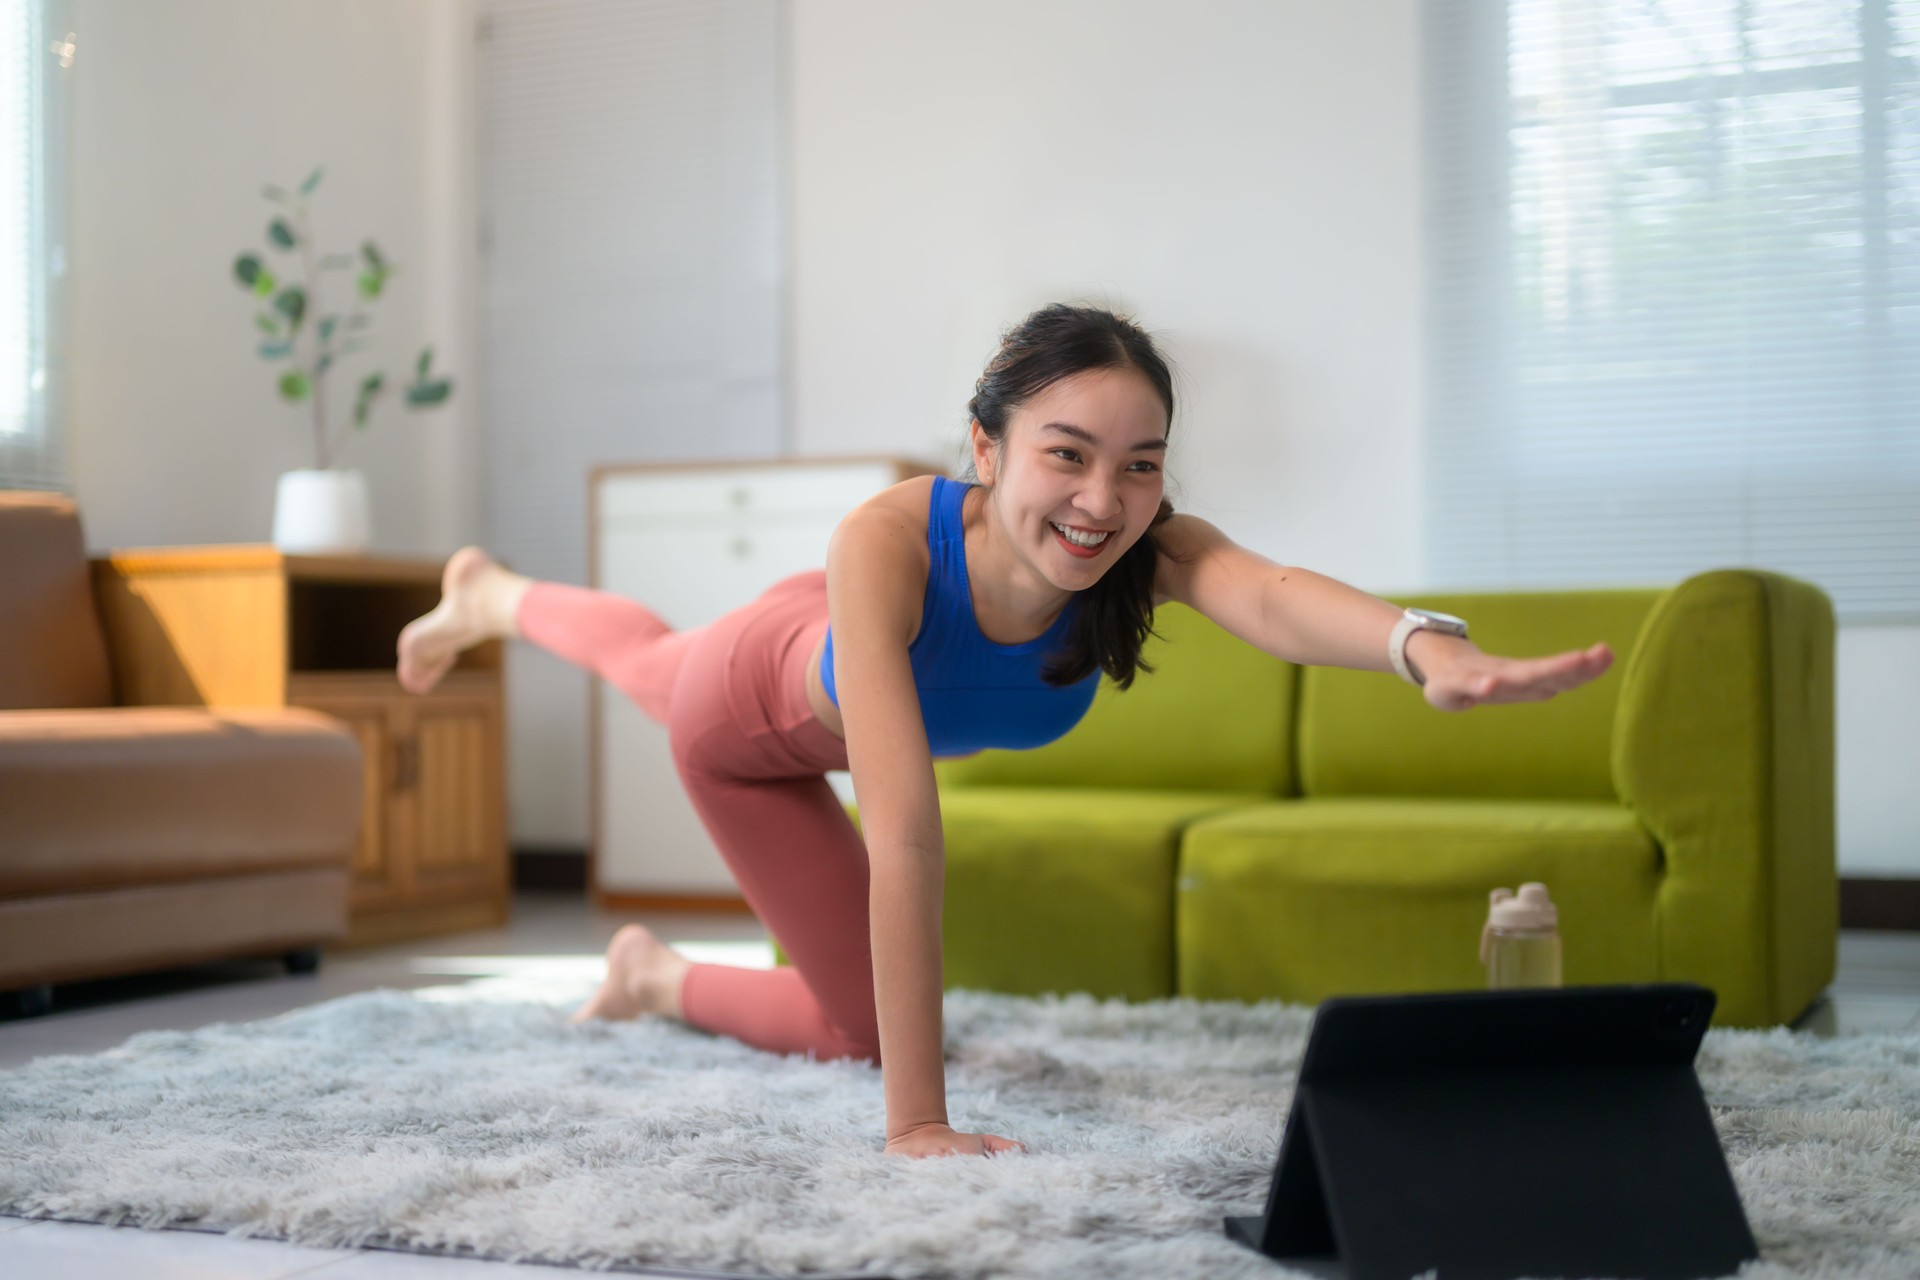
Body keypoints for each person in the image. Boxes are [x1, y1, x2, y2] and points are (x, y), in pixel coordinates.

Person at [394, 303, 1613, 1162]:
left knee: (655, 669)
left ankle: (645, 966)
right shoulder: (886, 536)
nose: (1102, 500)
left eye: (1139, 466)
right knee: (665, 671)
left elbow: (1277, 595)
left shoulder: (1144, 551)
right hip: (747, 710)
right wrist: (916, 1119)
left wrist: (1426, 649)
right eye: (1066, 455)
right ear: (986, 446)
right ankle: (492, 597)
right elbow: (907, 838)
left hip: (813, 650)